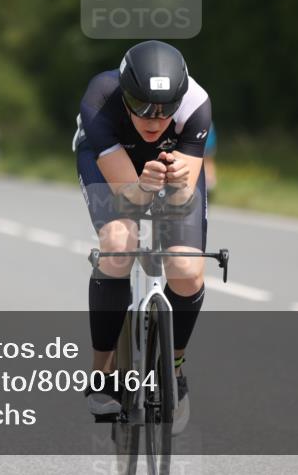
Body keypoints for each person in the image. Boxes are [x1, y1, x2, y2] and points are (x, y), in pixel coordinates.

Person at [73, 40, 211, 433]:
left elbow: (183, 196)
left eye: (167, 109)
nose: (155, 118)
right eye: (144, 107)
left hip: (165, 167)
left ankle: (174, 368)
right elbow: (128, 194)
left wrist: (177, 183)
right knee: (119, 245)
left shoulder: (197, 104)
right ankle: (103, 373)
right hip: (111, 162)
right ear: (126, 94)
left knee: (186, 269)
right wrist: (145, 186)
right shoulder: (101, 98)